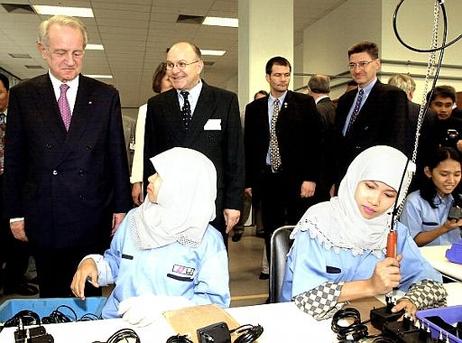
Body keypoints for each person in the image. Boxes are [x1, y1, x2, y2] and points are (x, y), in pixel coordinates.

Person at [3, 15, 131, 297]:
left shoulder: (105, 95)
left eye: (77, 53)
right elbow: (15, 160)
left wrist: (121, 208)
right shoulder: (24, 95)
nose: (70, 61)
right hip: (44, 213)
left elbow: (116, 156)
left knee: (88, 290)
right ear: (43, 50)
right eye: (61, 52)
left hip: (92, 213)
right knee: (52, 292)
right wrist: (14, 214)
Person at [281, 145, 446, 320]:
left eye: (389, 195)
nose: (375, 201)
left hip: (364, 321)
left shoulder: (393, 230)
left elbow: (432, 282)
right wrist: (370, 286)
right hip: (303, 323)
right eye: (370, 186)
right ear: (354, 179)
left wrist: (411, 300)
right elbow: (305, 298)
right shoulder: (319, 224)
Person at [71, 148, 230, 325]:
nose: (150, 178)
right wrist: (93, 264)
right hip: (120, 323)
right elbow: (115, 262)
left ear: (183, 185)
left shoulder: (208, 241)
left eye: (159, 175)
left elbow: (215, 304)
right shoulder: (134, 219)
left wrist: (166, 309)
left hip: (173, 329)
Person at [143, 42, 244, 243]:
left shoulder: (225, 101)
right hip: (169, 206)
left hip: (211, 203)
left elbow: (235, 156)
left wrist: (233, 203)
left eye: (182, 64)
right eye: (170, 65)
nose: (175, 71)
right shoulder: (157, 105)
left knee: (209, 264)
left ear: (199, 65)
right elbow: (150, 157)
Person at [244, 56, 323, 266]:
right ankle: (276, 283)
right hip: (268, 181)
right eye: (278, 75)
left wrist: (311, 178)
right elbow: (250, 147)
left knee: (298, 232)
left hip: (297, 182)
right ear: (268, 77)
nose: (283, 79)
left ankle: (298, 279)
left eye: (286, 75)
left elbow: (316, 143)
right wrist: (249, 182)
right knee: (272, 233)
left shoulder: (304, 103)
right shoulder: (255, 109)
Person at [334, 41, 410, 189]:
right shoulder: (345, 100)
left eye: (363, 64)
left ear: (377, 64)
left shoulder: (392, 96)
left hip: (372, 178)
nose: (357, 70)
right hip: (344, 177)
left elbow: (397, 142)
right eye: (352, 65)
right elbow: (337, 141)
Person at [400, 146, 462, 246]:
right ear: (428, 172)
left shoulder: (458, 198)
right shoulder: (414, 201)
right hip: (426, 259)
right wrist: (445, 228)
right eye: (444, 174)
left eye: (457, 174)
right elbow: (410, 242)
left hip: (455, 258)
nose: (451, 180)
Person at [130, 62, 172, 206]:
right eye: (168, 79)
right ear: (159, 82)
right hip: (153, 176)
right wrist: (137, 181)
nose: (172, 83)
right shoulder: (147, 109)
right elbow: (140, 147)